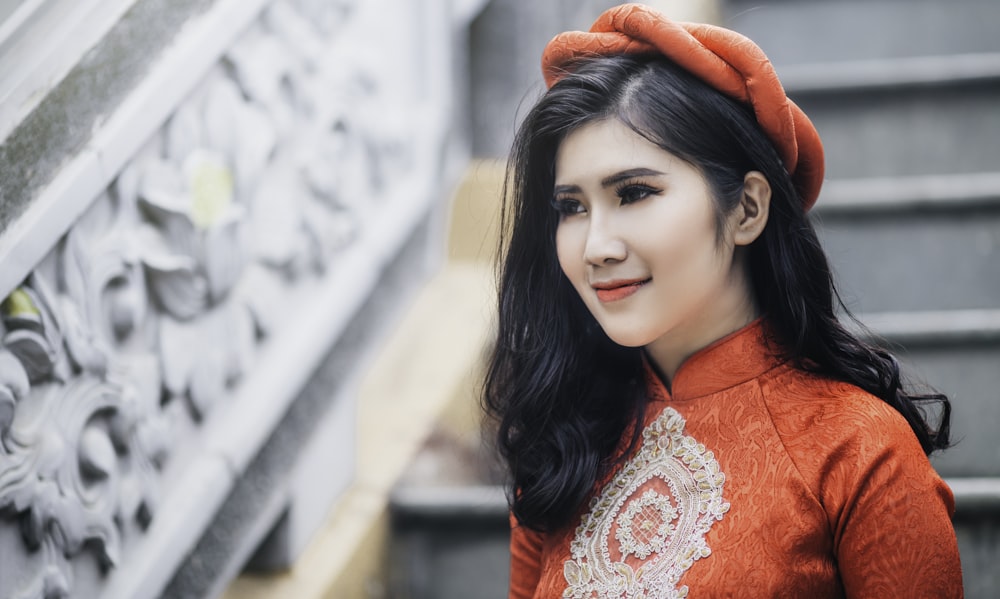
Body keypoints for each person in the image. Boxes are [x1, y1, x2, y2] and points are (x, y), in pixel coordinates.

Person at [480, 3, 964, 598]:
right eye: (571, 207)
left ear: (747, 209)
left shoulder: (857, 450)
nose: (595, 247)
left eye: (633, 192)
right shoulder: (564, 448)